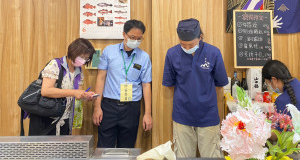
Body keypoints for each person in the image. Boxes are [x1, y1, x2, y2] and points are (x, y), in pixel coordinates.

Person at [162, 18, 228, 158]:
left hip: (208, 116)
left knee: (211, 156)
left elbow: (220, 83)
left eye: (190, 45)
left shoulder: (213, 53)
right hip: (182, 116)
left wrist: (203, 98)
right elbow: (170, 83)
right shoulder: (172, 54)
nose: (186, 48)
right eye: (183, 45)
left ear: (200, 37)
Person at [93, 19, 152, 148]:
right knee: (104, 147)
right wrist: (97, 107)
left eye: (139, 38)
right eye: (132, 37)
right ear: (124, 34)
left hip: (131, 108)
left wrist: (148, 114)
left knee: (127, 147)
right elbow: (100, 78)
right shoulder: (109, 51)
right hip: (108, 106)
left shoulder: (144, 57)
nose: (135, 41)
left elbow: (146, 85)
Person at [29, 38, 96, 136]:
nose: (83, 61)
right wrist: (74, 92)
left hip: (64, 118)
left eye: (87, 58)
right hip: (46, 118)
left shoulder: (79, 70)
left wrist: (85, 96)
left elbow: (77, 94)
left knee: (62, 150)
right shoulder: (55, 64)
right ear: (73, 52)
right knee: (43, 150)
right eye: (82, 57)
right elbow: (46, 91)